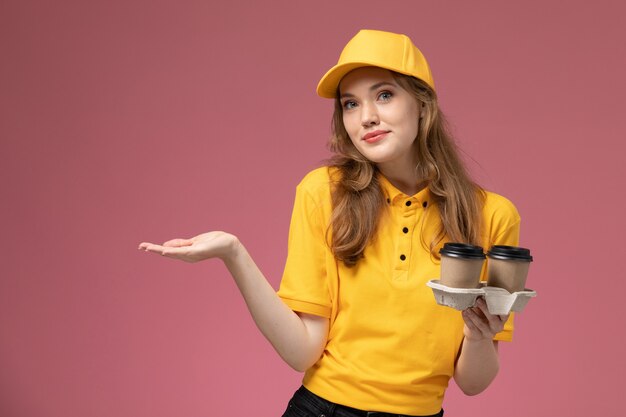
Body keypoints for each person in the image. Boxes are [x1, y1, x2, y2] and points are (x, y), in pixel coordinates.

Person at [139, 29, 522, 417]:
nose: (367, 117)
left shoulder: (491, 216)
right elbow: (302, 350)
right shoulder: (323, 193)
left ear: (422, 103)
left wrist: (478, 333)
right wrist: (234, 254)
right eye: (350, 104)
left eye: (384, 95)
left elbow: (473, 383)